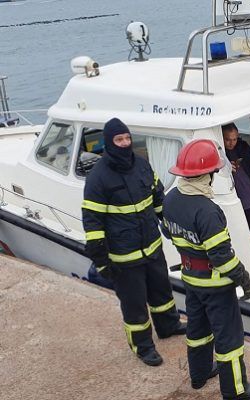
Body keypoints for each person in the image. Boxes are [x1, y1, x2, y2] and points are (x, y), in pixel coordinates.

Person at [161, 139, 250, 399]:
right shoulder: (208, 210)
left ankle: (200, 374)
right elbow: (221, 257)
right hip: (216, 286)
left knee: (197, 329)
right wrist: (244, 279)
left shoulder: (171, 199)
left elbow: (170, 233)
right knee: (229, 338)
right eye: (214, 172)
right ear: (205, 175)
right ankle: (236, 390)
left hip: (191, 280)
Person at [81, 117, 185, 367]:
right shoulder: (98, 178)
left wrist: (169, 224)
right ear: (109, 143)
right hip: (124, 258)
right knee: (135, 304)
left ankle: (168, 325)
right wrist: (101, 260)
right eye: (119, 139)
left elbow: (157, 197)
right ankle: (143, 346)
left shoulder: (142, 165)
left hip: (152, 247)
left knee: (162, 292)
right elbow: (92, 223)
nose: (125, 143)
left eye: (127, 138)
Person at [222, 123, 250, 236]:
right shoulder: (219, 153)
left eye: (234, 139)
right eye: (227, 139)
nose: (231, 143)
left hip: (248, 194)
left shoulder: (243, 146)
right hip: (233, 198)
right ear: (221, 137)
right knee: (238, 231)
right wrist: (225, 168)